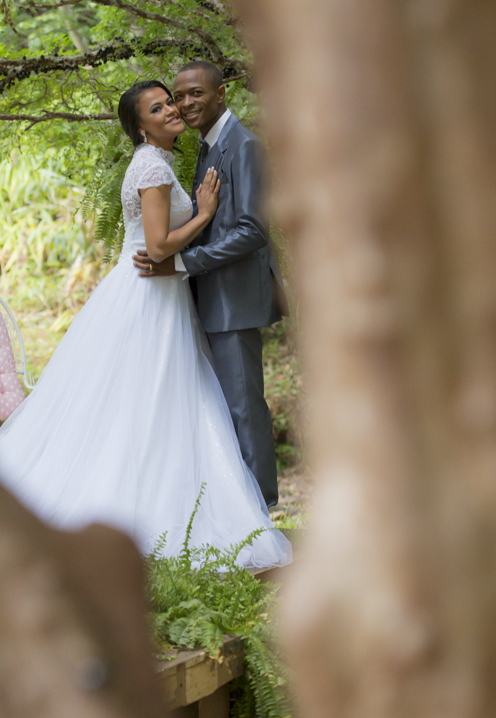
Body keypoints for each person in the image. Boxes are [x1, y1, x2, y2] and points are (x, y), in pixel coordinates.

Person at [0, 80, 292, 570]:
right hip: (148, 291)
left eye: (170, 101)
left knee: (158, 401)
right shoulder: (150, 164)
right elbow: (159, 245)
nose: (172, 109)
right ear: (140, 126)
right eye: (158, 107)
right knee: (143, 402)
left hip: (163, 294)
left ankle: (158, 504)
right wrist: (206, 212)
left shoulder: (165, 161)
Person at [133, 61, 284, 509]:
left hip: (235, 298)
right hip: (209, 297)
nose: (186, 103)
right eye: (179, 96)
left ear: (222, 94)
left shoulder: (245, 146)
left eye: (196, 93)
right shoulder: (206, 145)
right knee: (224, 408)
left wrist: (181, 262)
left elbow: (253, 230)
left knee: (243, 406)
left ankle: (261, 514)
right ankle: (239, 510)